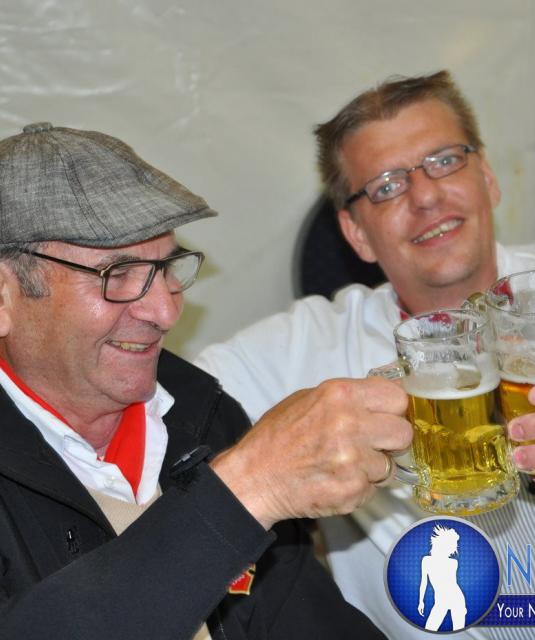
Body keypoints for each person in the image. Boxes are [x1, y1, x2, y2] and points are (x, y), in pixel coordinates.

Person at [195, 71, 535, 639]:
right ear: (356, 233)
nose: (426, 196)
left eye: (445, 161)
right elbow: (161, 404)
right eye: (386, 186)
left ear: (488, 178)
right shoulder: (307, 347)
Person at [0, 122, 413, 640]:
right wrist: (247, 488)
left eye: (166, 267)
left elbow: (307, 621)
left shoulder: (203, 415)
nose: (165, 311)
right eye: (117, 275)